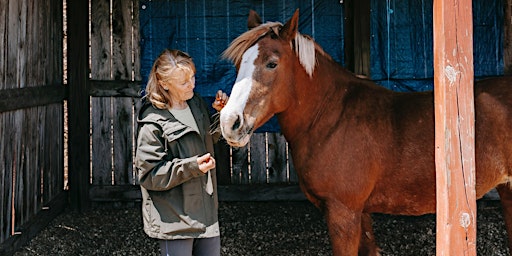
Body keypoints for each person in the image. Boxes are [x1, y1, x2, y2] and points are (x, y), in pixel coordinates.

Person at [135, 49, 228, 256]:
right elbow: (149, 175)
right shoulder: (152, 123)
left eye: (193, 77)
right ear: (164, 84)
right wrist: (192, 166)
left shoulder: (196, 105)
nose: (192, 85)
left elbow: (206, 140)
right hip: (175, 222)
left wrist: (221, 116)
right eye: (184, 82)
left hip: (206, 214)